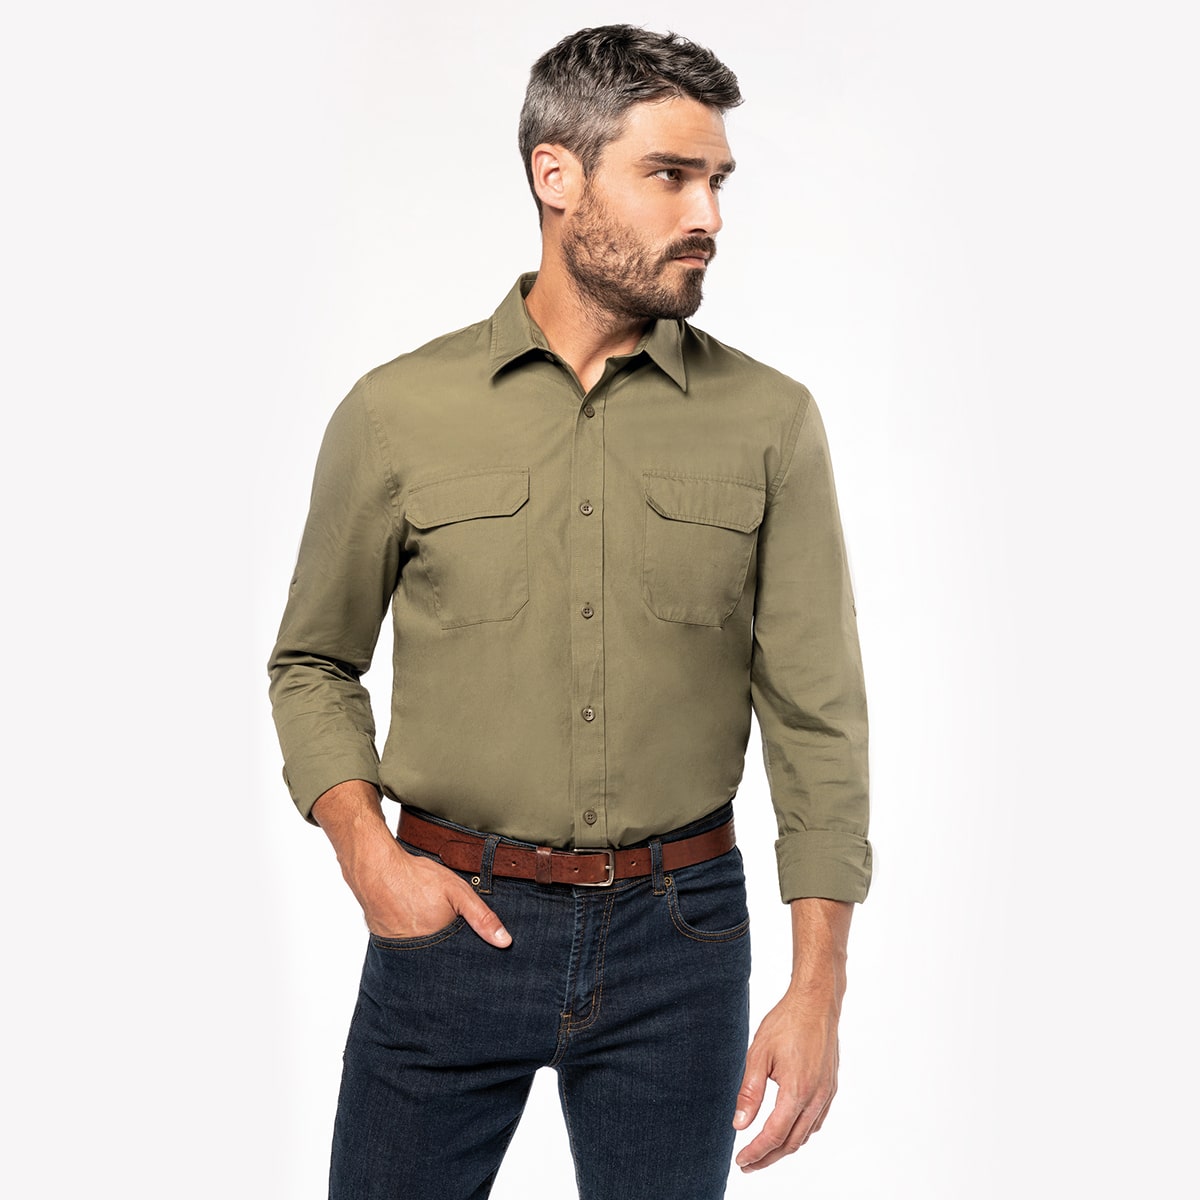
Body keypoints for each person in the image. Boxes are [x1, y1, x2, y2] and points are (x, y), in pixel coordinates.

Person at [268, 23, 871, 1200]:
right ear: (558, 175)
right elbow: (312, 662)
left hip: (681, 939)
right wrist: (368, 856)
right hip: (449, 920)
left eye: (717, 180)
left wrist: (817, 991)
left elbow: (818, 718)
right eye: (669, 175)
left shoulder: (770, 422)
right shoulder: (397, 413)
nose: (707, 214)